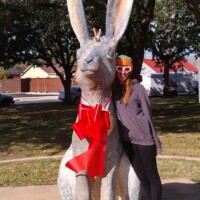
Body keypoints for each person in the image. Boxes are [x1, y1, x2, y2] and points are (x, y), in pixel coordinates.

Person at [112, 55, 162, 200]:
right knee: (143, 180)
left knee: (152, 178)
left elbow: (148, 116)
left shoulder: (138, 89)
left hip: (145, 141)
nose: (122, 72)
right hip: (128, 143)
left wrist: (156, 143)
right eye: (119, 68)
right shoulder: (114, 90)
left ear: (131, 70)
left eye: (126, 68)